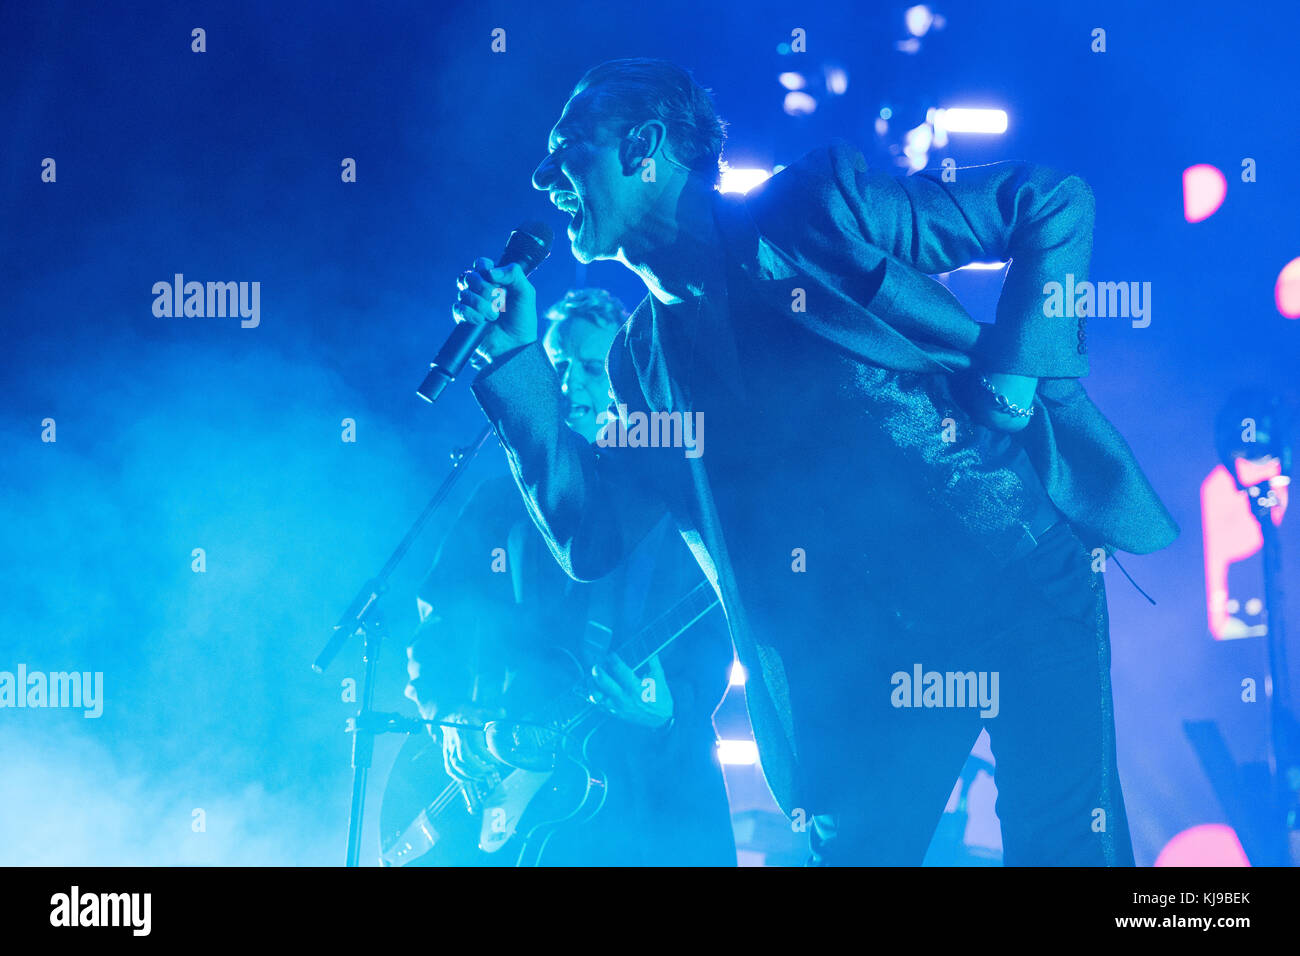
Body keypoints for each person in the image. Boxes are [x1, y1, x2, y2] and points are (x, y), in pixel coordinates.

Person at [446, 58, 1179, 865]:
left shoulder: (815, 211)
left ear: (644, 148)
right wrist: (516, 363)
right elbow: (592, 535)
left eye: (570, 146)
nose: (544, 174)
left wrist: (1011, 386)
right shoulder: (641, 363)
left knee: (1066, 852)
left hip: (1011, 577)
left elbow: (1051, 202)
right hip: (869, 665)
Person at [405, 287, 737, 866]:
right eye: (556, 364)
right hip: (515, 781)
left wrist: (669, 710)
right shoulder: (496, 503)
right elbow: (441, 618)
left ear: (629, 390)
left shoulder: (682, 506)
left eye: (590, 367)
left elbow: (718, 638)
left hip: (646, 796)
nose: (568, 382)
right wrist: (447, 711)